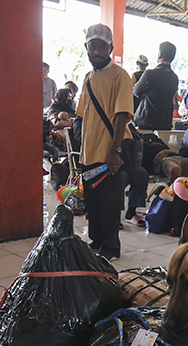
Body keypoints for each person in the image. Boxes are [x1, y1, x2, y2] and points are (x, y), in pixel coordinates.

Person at [76, 24, 134, 260]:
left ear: (111, 48)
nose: (97, 51)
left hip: (109, 151)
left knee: (109, 204)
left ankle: (110, 247)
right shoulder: (88, 77)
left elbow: (122, 114)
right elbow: (83, 115)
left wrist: (115, 150)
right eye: (93, 46)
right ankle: (96, 241)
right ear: (86, 48)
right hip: (89, 153)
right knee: (93, 202)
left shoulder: (119, 75)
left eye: (103, 46)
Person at [133, 41, 178, 130]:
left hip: (146, 123)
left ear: (160, 55)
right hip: (165, 124)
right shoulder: (174, 78)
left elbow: (136, 91)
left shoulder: (150, 74)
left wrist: (145, 93)